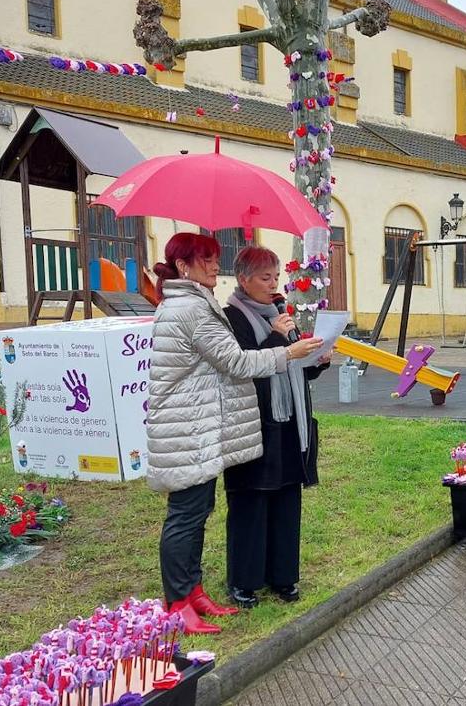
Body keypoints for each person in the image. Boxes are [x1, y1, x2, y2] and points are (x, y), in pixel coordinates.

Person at [146, 233, 322, 635]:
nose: (213, 266)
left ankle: (194, 593)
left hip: (202, 424)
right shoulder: (190, 309)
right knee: (185, 517)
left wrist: (299, 353)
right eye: (205, 260)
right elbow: (235, 360)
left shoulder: (198, 304)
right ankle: (177, 602)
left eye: (215, 259)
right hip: (186, 427)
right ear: (184, 267)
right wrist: (286, 350)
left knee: (198, 512)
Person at [223, 246, 330, 608]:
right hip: (252, 422)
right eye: (265, 278)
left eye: (276, 277)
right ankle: (244, 580)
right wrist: (274, 337)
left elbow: (296, 366)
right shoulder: (230, 318)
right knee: (251, 502)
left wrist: (318, 359)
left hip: (288, 423)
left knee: (286, 498)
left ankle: (283, 576)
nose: (274, 285)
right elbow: (242, 366)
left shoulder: (280, 314)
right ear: (244, 280)